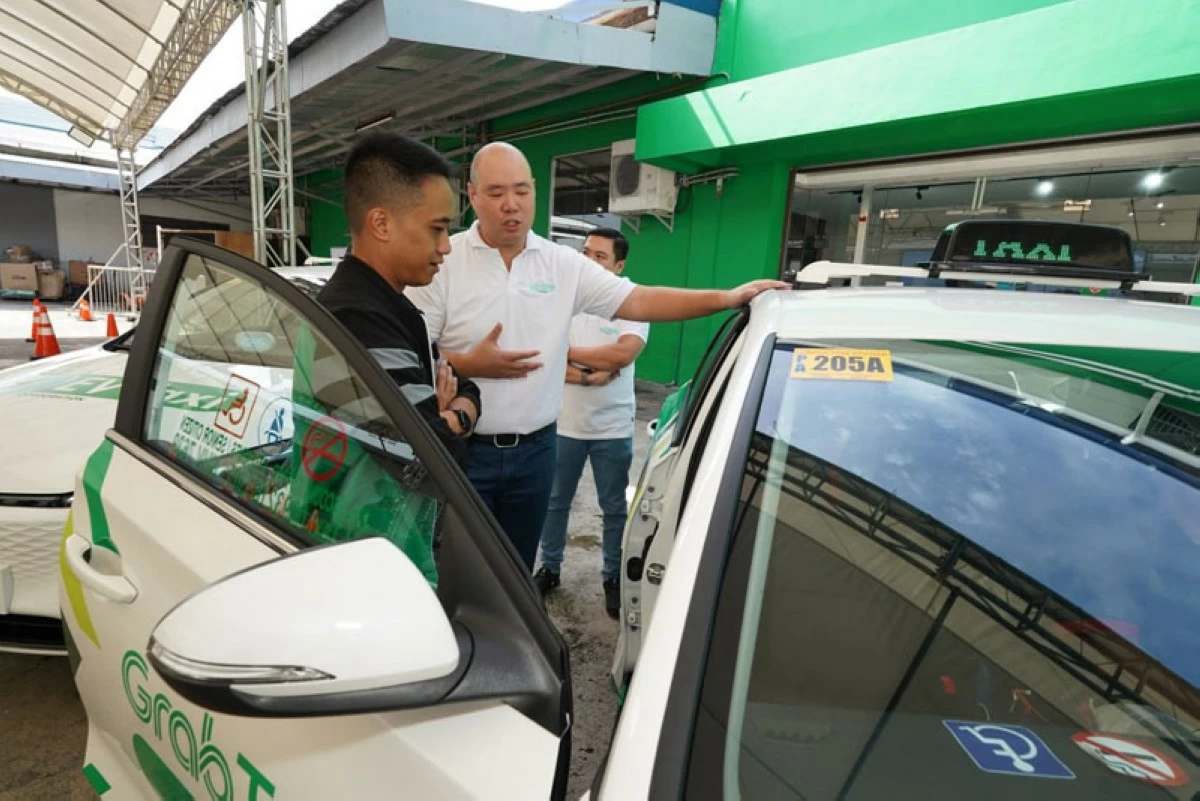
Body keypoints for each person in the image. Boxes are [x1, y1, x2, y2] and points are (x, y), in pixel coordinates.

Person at [406, 141, 786, 571]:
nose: (510, 204)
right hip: (461, 450)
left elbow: (639, 300)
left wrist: (726, 296)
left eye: (521, 191)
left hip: (536, 452)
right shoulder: (445, 261)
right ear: (472, 195)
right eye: (495, 193)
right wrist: (473, 364)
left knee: (515, 568)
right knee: (455, 567)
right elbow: (415, 350)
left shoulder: (561, 264)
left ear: (534, 191)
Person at [316, 132, 481, 467]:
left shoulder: (391, 307)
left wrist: (448, 416)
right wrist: (453, 420)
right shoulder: (357, 317)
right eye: (437, 229)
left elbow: (467, 389)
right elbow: (433, 457)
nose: (446, 246)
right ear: (381, 223)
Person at [534, 228, 645, 617]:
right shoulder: (565, 296)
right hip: (563, 424)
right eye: (585, 253)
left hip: (612, 427)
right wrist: (585, 372)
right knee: (554, 503)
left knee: (614, 507)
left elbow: (624, 353)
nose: (588, 261)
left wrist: (567, 353)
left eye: (599, 256)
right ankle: (549, 568)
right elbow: (543, 358)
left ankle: (612, 577)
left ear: (619, 265)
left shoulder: (630, 301)